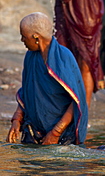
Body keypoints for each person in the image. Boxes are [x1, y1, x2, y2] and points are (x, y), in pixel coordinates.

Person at [6, 12, 88, 145]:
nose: (22, 40)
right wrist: (16, 120)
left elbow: (76, 100)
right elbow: (27, 91)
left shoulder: (64, 57)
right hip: (33, 131)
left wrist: (55, 133)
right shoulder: (30, 57)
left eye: (24, 36)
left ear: (36, 37)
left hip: (63, 136)